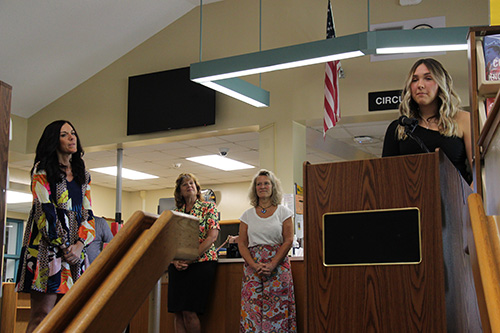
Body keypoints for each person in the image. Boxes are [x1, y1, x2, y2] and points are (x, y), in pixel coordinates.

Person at [15, 120, 96, 332]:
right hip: (46, 251)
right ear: (54, 140)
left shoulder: (83, 175)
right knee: (42, 316)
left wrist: (79, 245)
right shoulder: (42, 171)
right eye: (64, 134)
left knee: (69, 318)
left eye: (73, 133)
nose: (72, 137)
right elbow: (45, 213)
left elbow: (87, 214)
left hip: (76, 255)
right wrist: (64, 246)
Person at [382, 58, 473, 184]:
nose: (420, 85)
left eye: (428, 78)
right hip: (412, 201)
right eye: (415, 80)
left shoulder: (463, 120)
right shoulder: (399, 128)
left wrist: (467, 201)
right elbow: (386, 177)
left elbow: (478, 172)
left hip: (457, 200)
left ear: (441, 83)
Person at [238, 169, 297, 332]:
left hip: (278, 268)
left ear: (273, 187)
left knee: (278, 311)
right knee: (252, 311)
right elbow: (242, 243)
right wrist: (254, 265)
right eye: (258, 184)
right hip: (253, 270)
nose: (262, 187)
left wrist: (272, 264)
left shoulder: (284, 212)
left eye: (266, 183)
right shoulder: (247, 215)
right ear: (254, 189)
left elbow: (288, 240)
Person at [167, 173, 220, 333]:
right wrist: (175, 260)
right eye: (185, 185)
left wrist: (190, 258)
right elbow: (171, 241)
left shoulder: (208, 208)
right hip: (178, 265)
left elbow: (212, 237)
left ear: (197, 189)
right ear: (180, 192)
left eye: (192, 184)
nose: (189, 186)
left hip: (201, 263)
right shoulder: (175, 213)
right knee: (178, 312)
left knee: (190, 311)